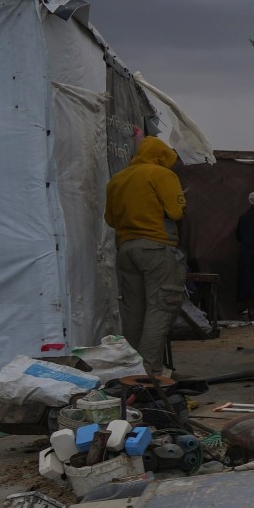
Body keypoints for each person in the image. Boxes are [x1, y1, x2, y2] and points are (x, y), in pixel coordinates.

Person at [103, 135, 188, 374]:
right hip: (157, 248)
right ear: (161, 157)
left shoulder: (117, 180)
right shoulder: (162, 174)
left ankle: (130, 371)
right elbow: (176, 212)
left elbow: (110, 220)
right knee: (159, 310)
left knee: (134, 313)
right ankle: (149, 373)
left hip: (127, 249)